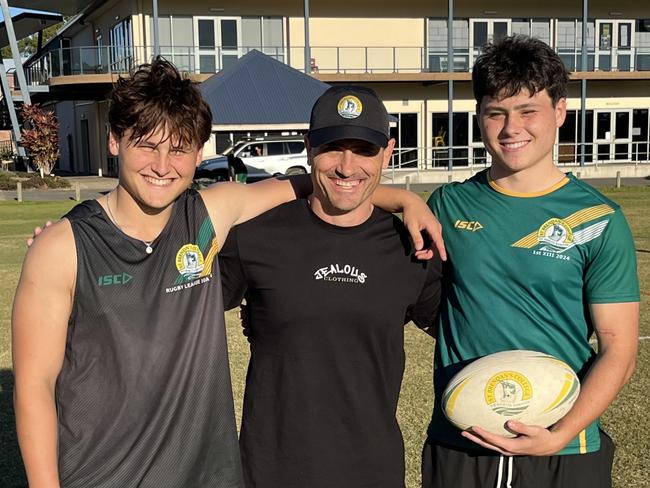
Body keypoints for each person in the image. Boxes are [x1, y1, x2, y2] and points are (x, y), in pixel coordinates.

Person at [12, 59, 441, 488]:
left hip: (206, 476)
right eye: (145, 145)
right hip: (101, 475)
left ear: (199, 154)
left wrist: (402, 198)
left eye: (178, 149)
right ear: (113, 140)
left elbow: (316, 184)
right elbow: (34, 385)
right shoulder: (61, 247)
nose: (162, 165)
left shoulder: (208, 218)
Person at [422, 35, 640, 488]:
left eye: (527, 111)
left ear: (559, 111)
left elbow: (619, 348)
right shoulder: (448, 206)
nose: (510, 128)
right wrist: (399, 198)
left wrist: (559, 434)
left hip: (563, 446)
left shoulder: (599, 219)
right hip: (463, 440)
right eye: (495, 112)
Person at [218, 85, 443, 487]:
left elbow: (463, 331)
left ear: (387, 153)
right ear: (309, 149)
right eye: (332, 148)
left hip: (372, 471)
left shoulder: (412, 245)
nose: (346, 165)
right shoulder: (254, 236)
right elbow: (178, 305)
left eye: (363, 150)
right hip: (271, 472)